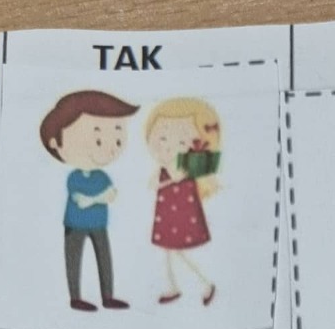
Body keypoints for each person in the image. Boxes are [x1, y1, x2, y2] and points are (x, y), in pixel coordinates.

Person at [38, 90, 138, 312]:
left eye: (117, 139)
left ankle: (108, 296)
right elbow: (81, 201)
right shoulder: (74, 177)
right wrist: (99, 198)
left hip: (99, 224)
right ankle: (75, 297)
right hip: (75, 225)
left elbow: (110, 196)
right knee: (74, 259)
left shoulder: (102, 176)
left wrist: (96, 198)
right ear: (55, 143)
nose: (109, 148)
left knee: (104, 258)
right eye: (98, 140)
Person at [145, 97, 223, 307]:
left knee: (175, 252)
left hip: (180, 215)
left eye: (181, 142)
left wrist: (166, 180)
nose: (167, 146)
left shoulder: (182, 167)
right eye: (162, 138)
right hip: (168, 215)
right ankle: (176, 287)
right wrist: (162, 179)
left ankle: (204, 284)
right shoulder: (165, 166)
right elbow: (152, 184)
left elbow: (173, 179)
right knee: (170, 252)